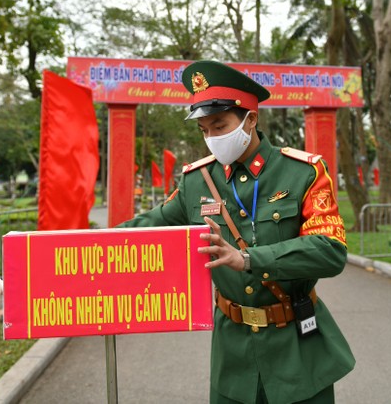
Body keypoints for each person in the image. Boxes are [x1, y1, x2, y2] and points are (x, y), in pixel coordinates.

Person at [119, 60, 355, 404]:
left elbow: (330, 251)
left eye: (219, 125)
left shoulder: (304, 172)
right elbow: (142, 229)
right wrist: (48, 253)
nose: (212, 138)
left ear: (251, 119)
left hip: (297, 350)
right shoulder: (197, 181)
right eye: (204, 130)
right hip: (233, 356)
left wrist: (246, 259)